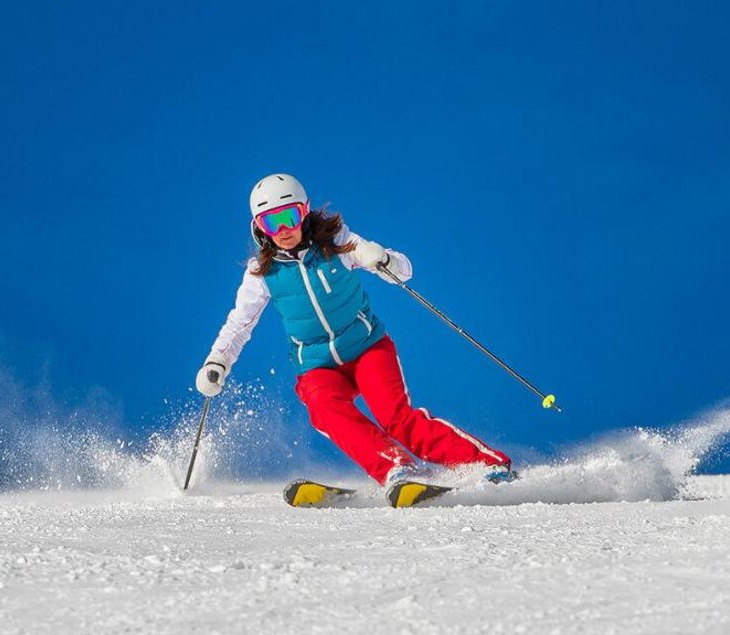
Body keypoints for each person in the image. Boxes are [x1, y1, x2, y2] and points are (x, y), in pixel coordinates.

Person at [195, 173, 513, 495]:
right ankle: (396, 467)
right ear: (259, 227)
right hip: (317, 364)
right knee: (323, 408)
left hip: (366, 349)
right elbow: (239, 323)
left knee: (396, 418)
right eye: (271, 223)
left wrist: (384, 259)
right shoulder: (261, 272)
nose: (283, 231)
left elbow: (404, 270)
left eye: (289, 217)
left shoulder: (336, 243)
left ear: (304, 212)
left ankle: (488, 465)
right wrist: (217, 360)